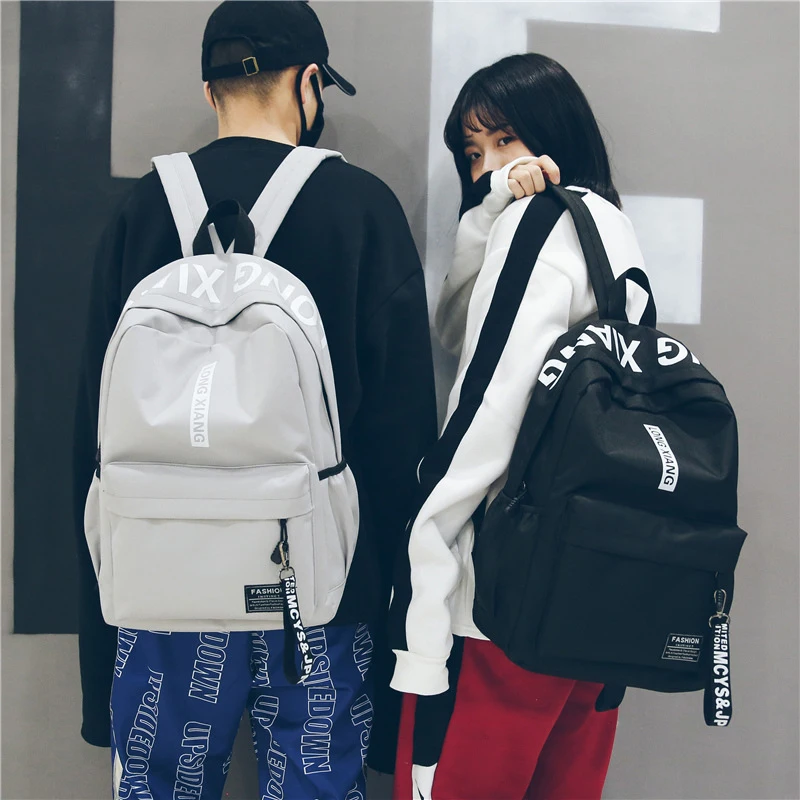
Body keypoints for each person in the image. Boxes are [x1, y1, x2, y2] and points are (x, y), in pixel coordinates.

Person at [72, 2, 437, 797]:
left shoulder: (142, 210)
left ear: (210, 91)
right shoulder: (363, 209)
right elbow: (402, 437)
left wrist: (97, 657)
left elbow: (90, 439)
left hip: (162, 579)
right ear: (308, 84)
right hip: (316, 586)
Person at [390, 53, 649, 799]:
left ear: (553, 133)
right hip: (597, 599)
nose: (490, 167)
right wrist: (489, 211)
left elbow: (487, 412)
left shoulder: (539, 226)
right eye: (474, 154)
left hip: (499, 608)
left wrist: (425, 574)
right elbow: (457, 327)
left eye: (505, 140)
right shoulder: (611, 230)